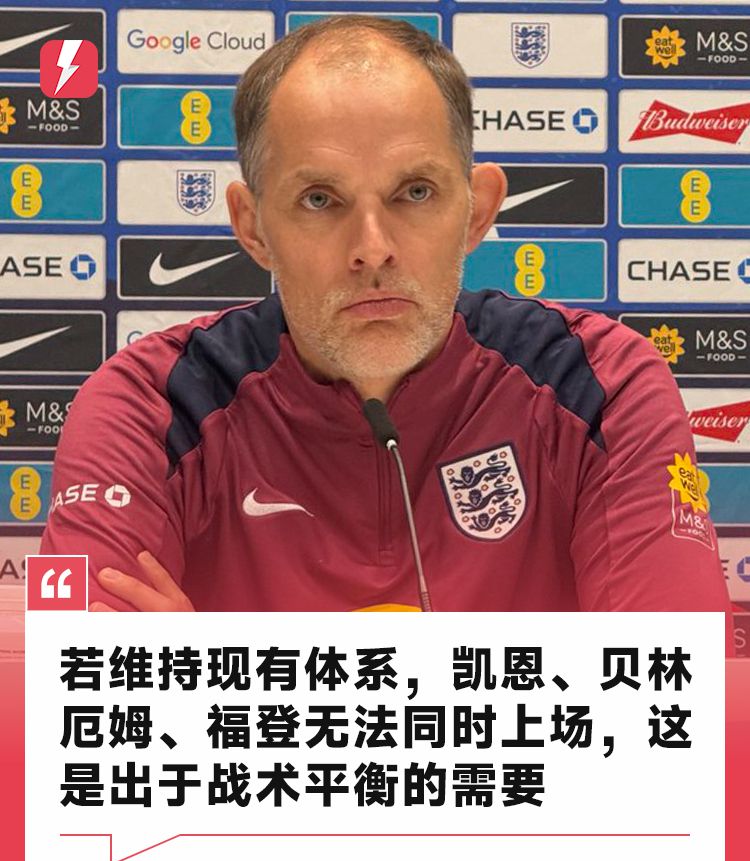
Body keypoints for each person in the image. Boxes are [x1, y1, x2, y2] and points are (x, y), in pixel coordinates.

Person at [41, 15, 732, 635]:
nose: (372, 248)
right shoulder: (150, 405)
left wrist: (208, 674)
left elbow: (673, 693)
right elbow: (76, 692)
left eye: (415, 192)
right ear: (252, 227)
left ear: (477, 209)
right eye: (320, 199)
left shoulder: (600, 385)